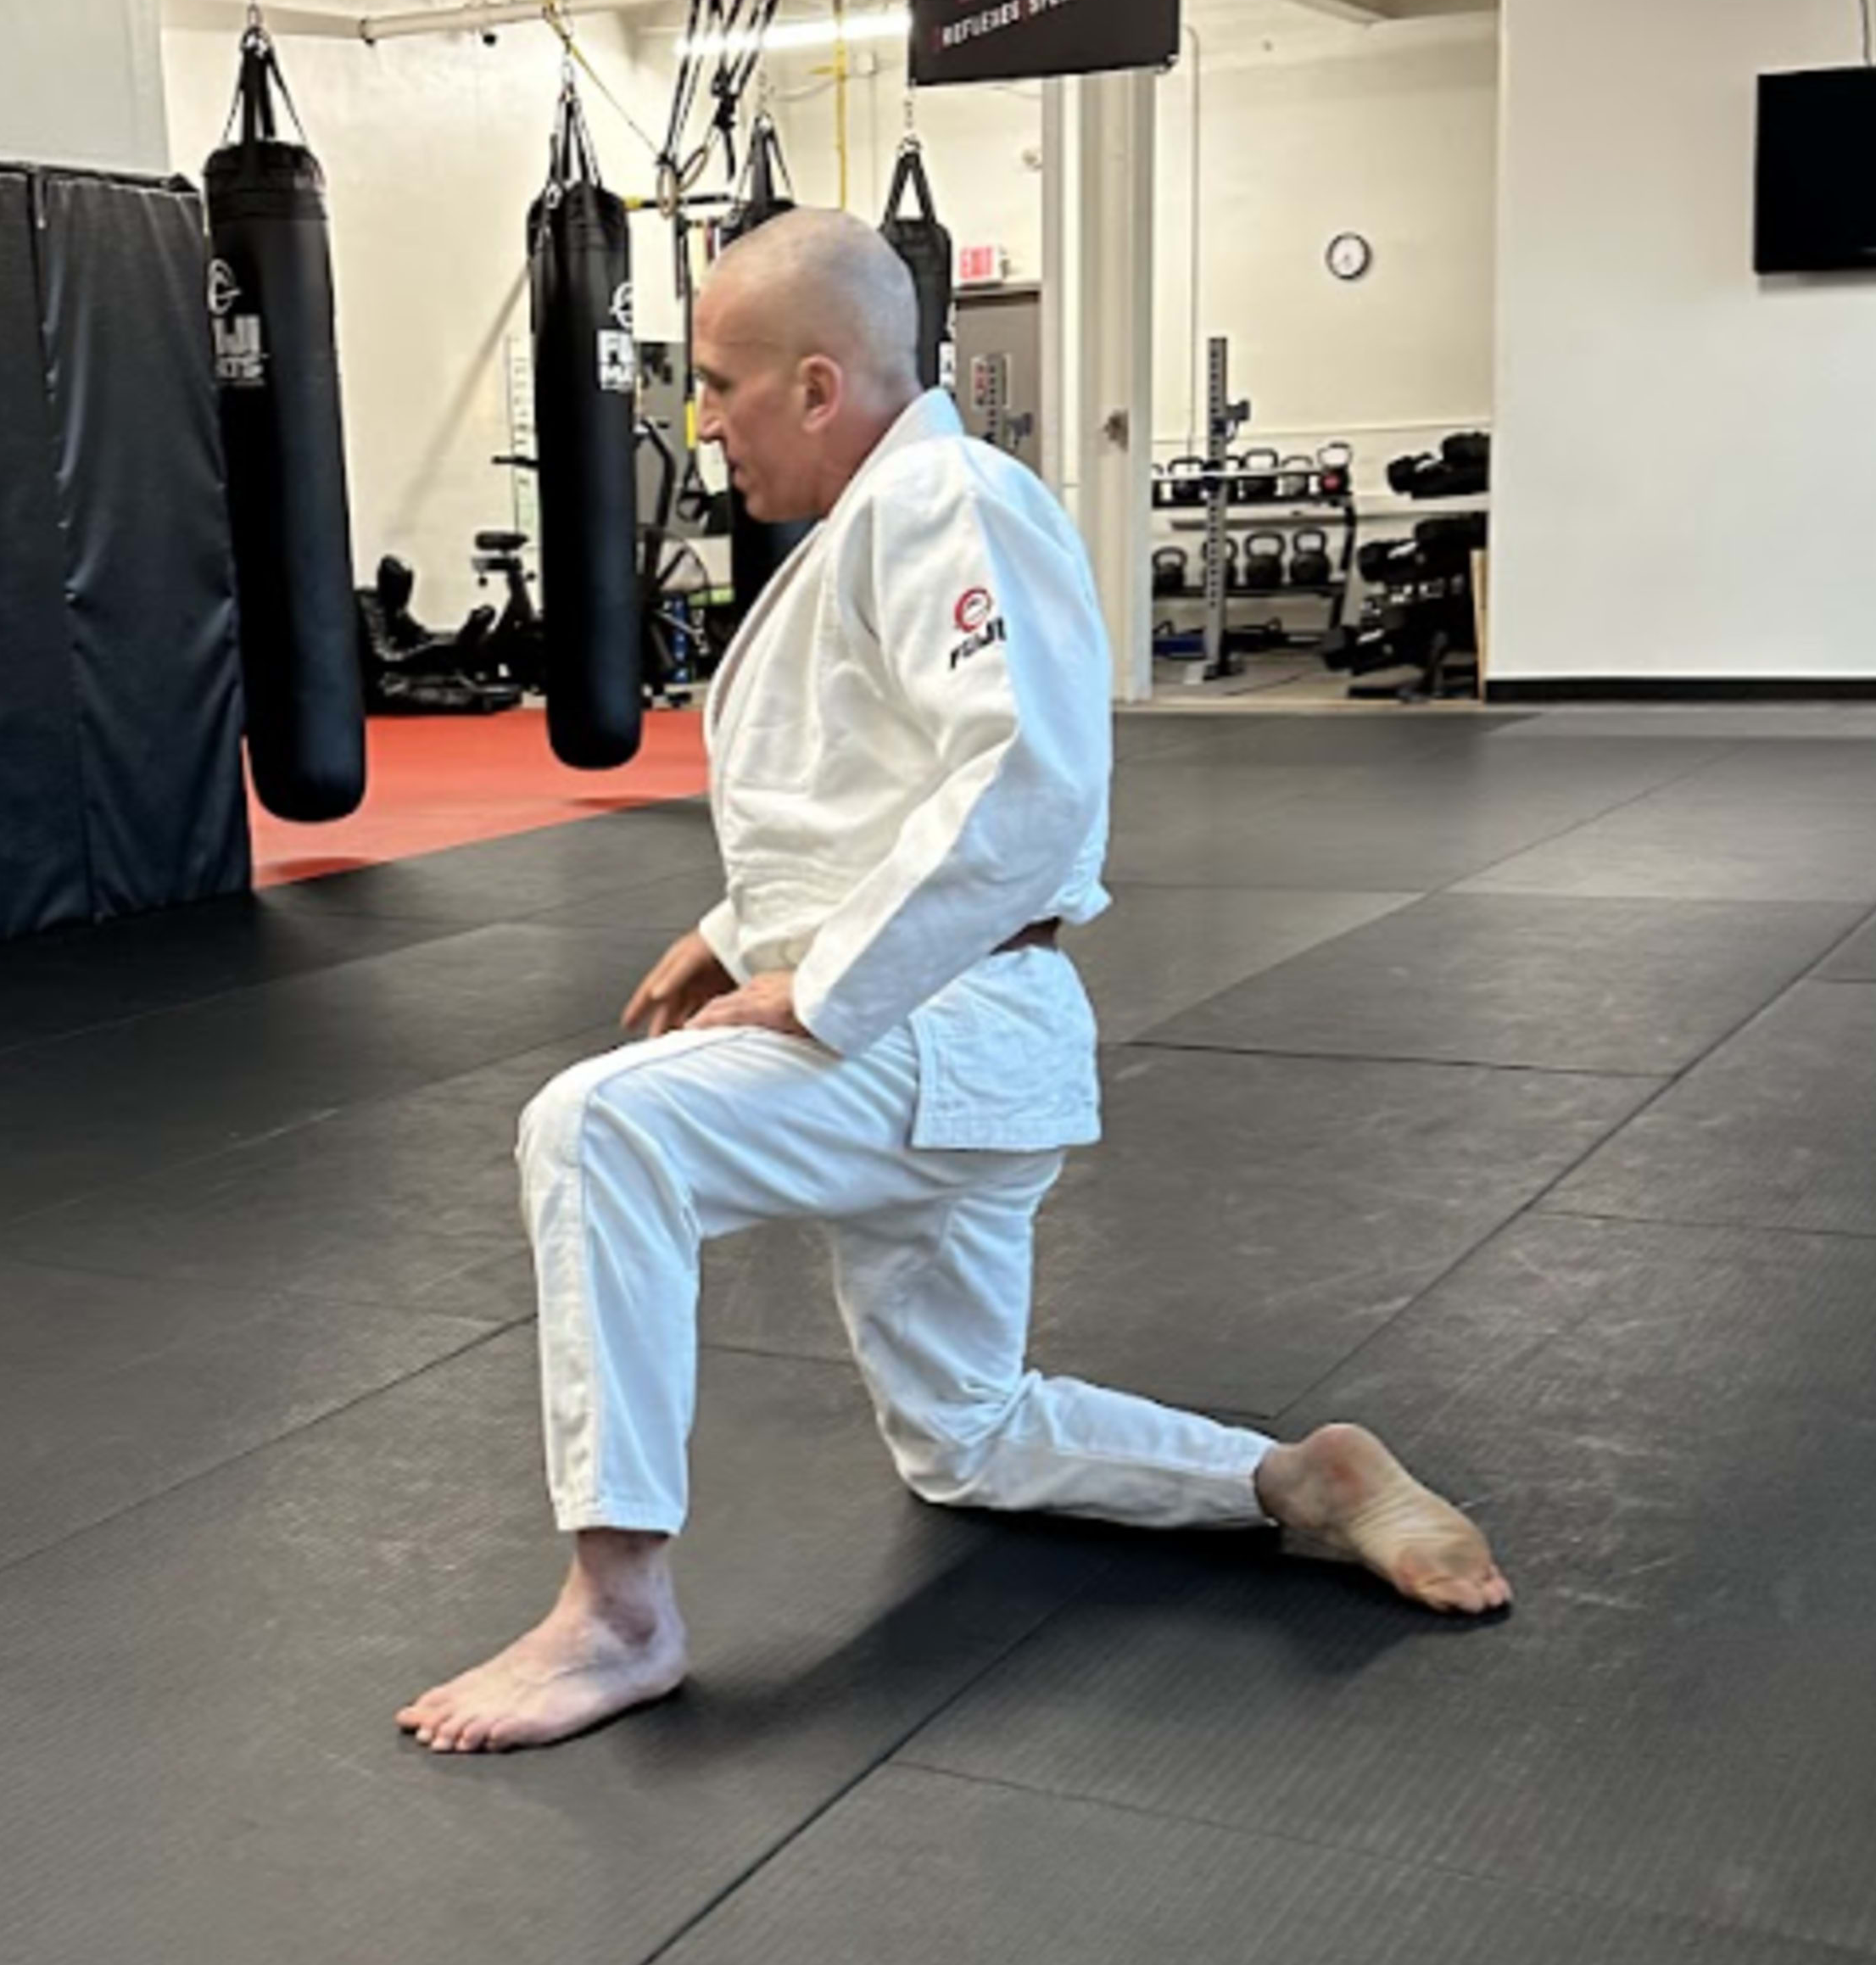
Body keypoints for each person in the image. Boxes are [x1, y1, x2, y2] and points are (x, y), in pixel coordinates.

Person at [399, 208, 1508, 1756]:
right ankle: (1287, 1481)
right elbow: (878, 788)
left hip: (939, 1025)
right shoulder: (880, 524)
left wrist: (821, 984)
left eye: (718, 385)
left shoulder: (950, 503)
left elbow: (1024, 785)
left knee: (601, 1131)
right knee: (965, 1442)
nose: (702, 422)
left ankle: (618, 1613)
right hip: (946, 1041)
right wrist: (737, 928)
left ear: (815, 383)